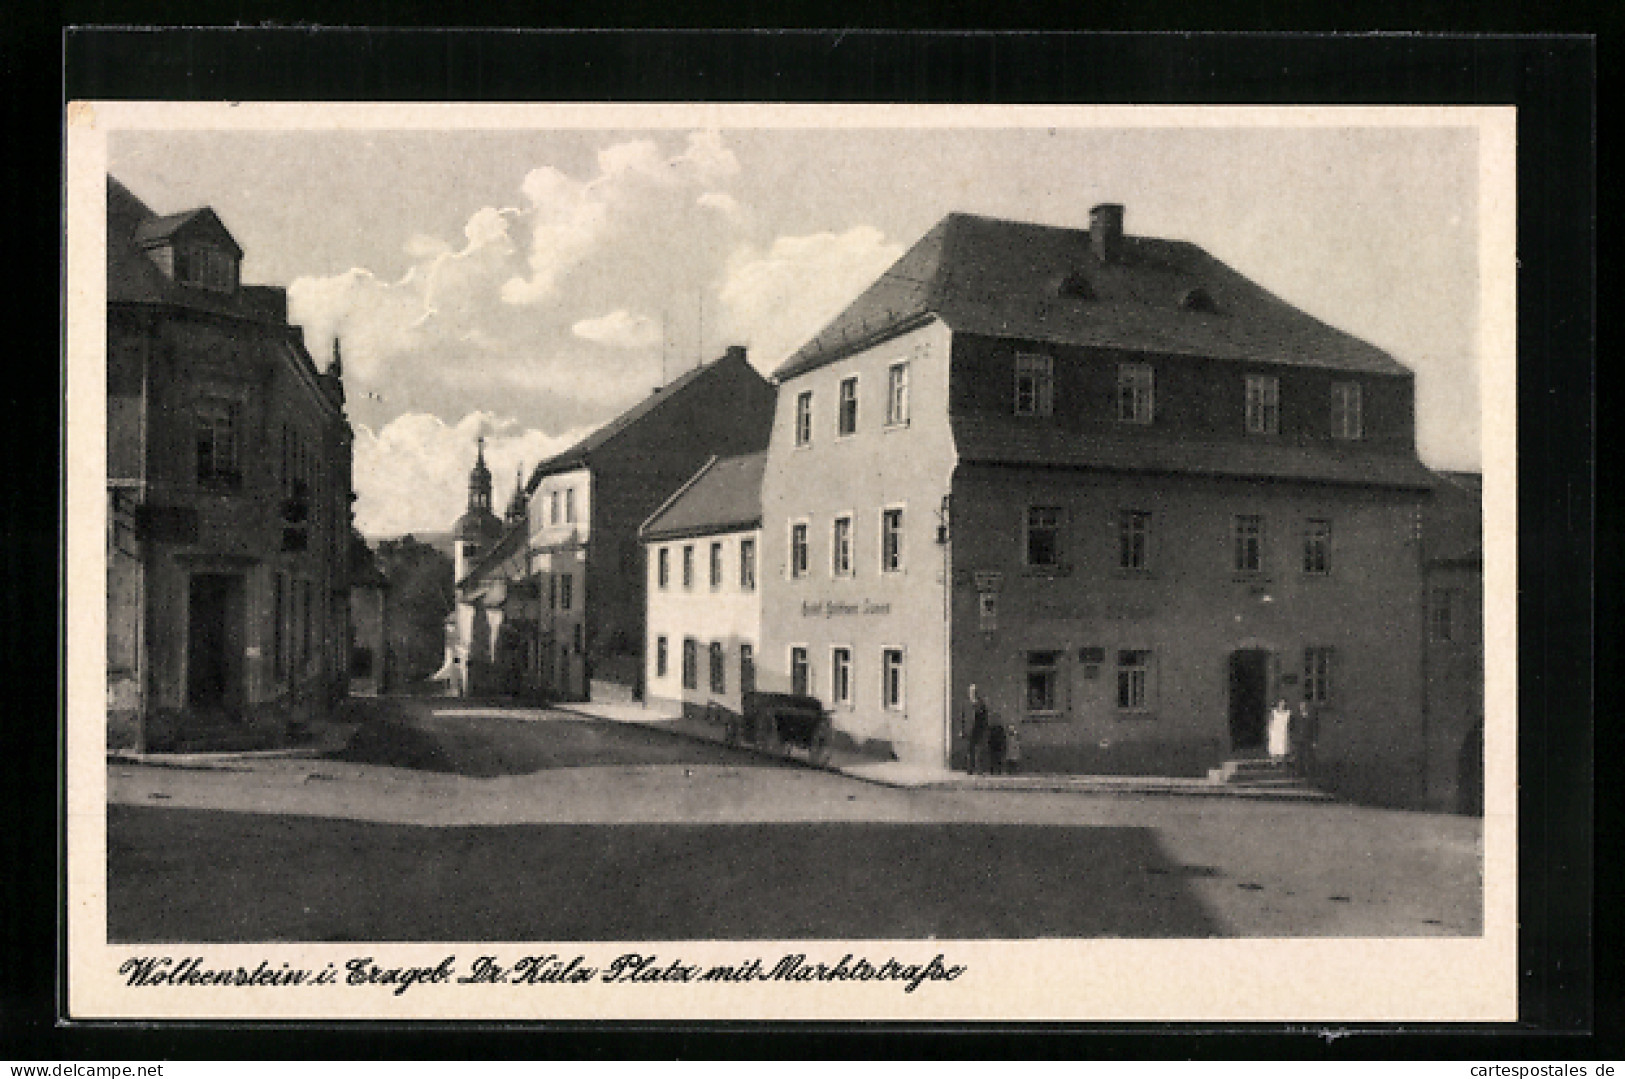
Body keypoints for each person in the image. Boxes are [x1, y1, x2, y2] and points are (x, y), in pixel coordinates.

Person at [965, 683, 991, 774]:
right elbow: (964, 717)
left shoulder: (981, 704)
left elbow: (985, 717)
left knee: (979, 750)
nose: (973, 693)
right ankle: (970, 769)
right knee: (969, 750)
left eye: (975, 691)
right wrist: (963, 729)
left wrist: (985, 728)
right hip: (969, 729)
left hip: (979, 729)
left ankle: (979, 769)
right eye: (971, 691)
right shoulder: (967, 704)